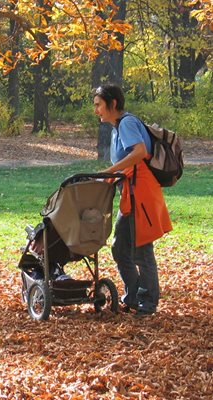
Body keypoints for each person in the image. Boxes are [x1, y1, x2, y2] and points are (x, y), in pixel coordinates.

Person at [93, 83, 172, 317]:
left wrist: (110, 172)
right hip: (129, 195)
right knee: (120, 248)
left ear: (113, 104)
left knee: (142, 251)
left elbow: (139, 152)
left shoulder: (126, 123)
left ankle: (147, 304)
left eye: (99, 105)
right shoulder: (118, 126)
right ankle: (135, 297)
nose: (96, 110)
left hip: (141, 195)